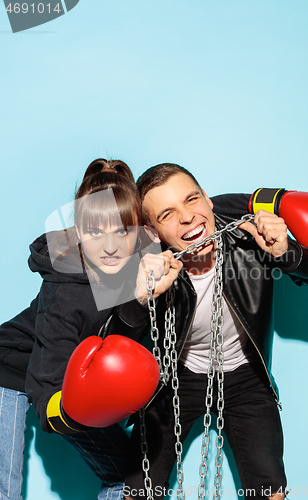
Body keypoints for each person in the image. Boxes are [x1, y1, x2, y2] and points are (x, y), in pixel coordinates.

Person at [124, 163, 308, 500]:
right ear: (153, 232)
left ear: (208, 200)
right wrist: (139, 298)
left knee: (270, 492)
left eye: (192, 200)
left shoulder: (250, 238)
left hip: (246, 376)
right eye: (167, 214)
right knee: (137, 490)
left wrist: (286, 253)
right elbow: (113, 338)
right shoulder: (145, 264)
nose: (187, 217)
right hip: (177, 377)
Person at [0, 158, 182, 500]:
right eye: (95, 232)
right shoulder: (67, 294)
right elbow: (45, 385)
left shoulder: (146, 258)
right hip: (10, 370)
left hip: (71, 371)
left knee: (130, 475)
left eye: (122, 231)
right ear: (79, 232)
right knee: (2, 488)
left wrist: (264, 204)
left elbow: (197, 218)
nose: (110, 246)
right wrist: (79, 408)